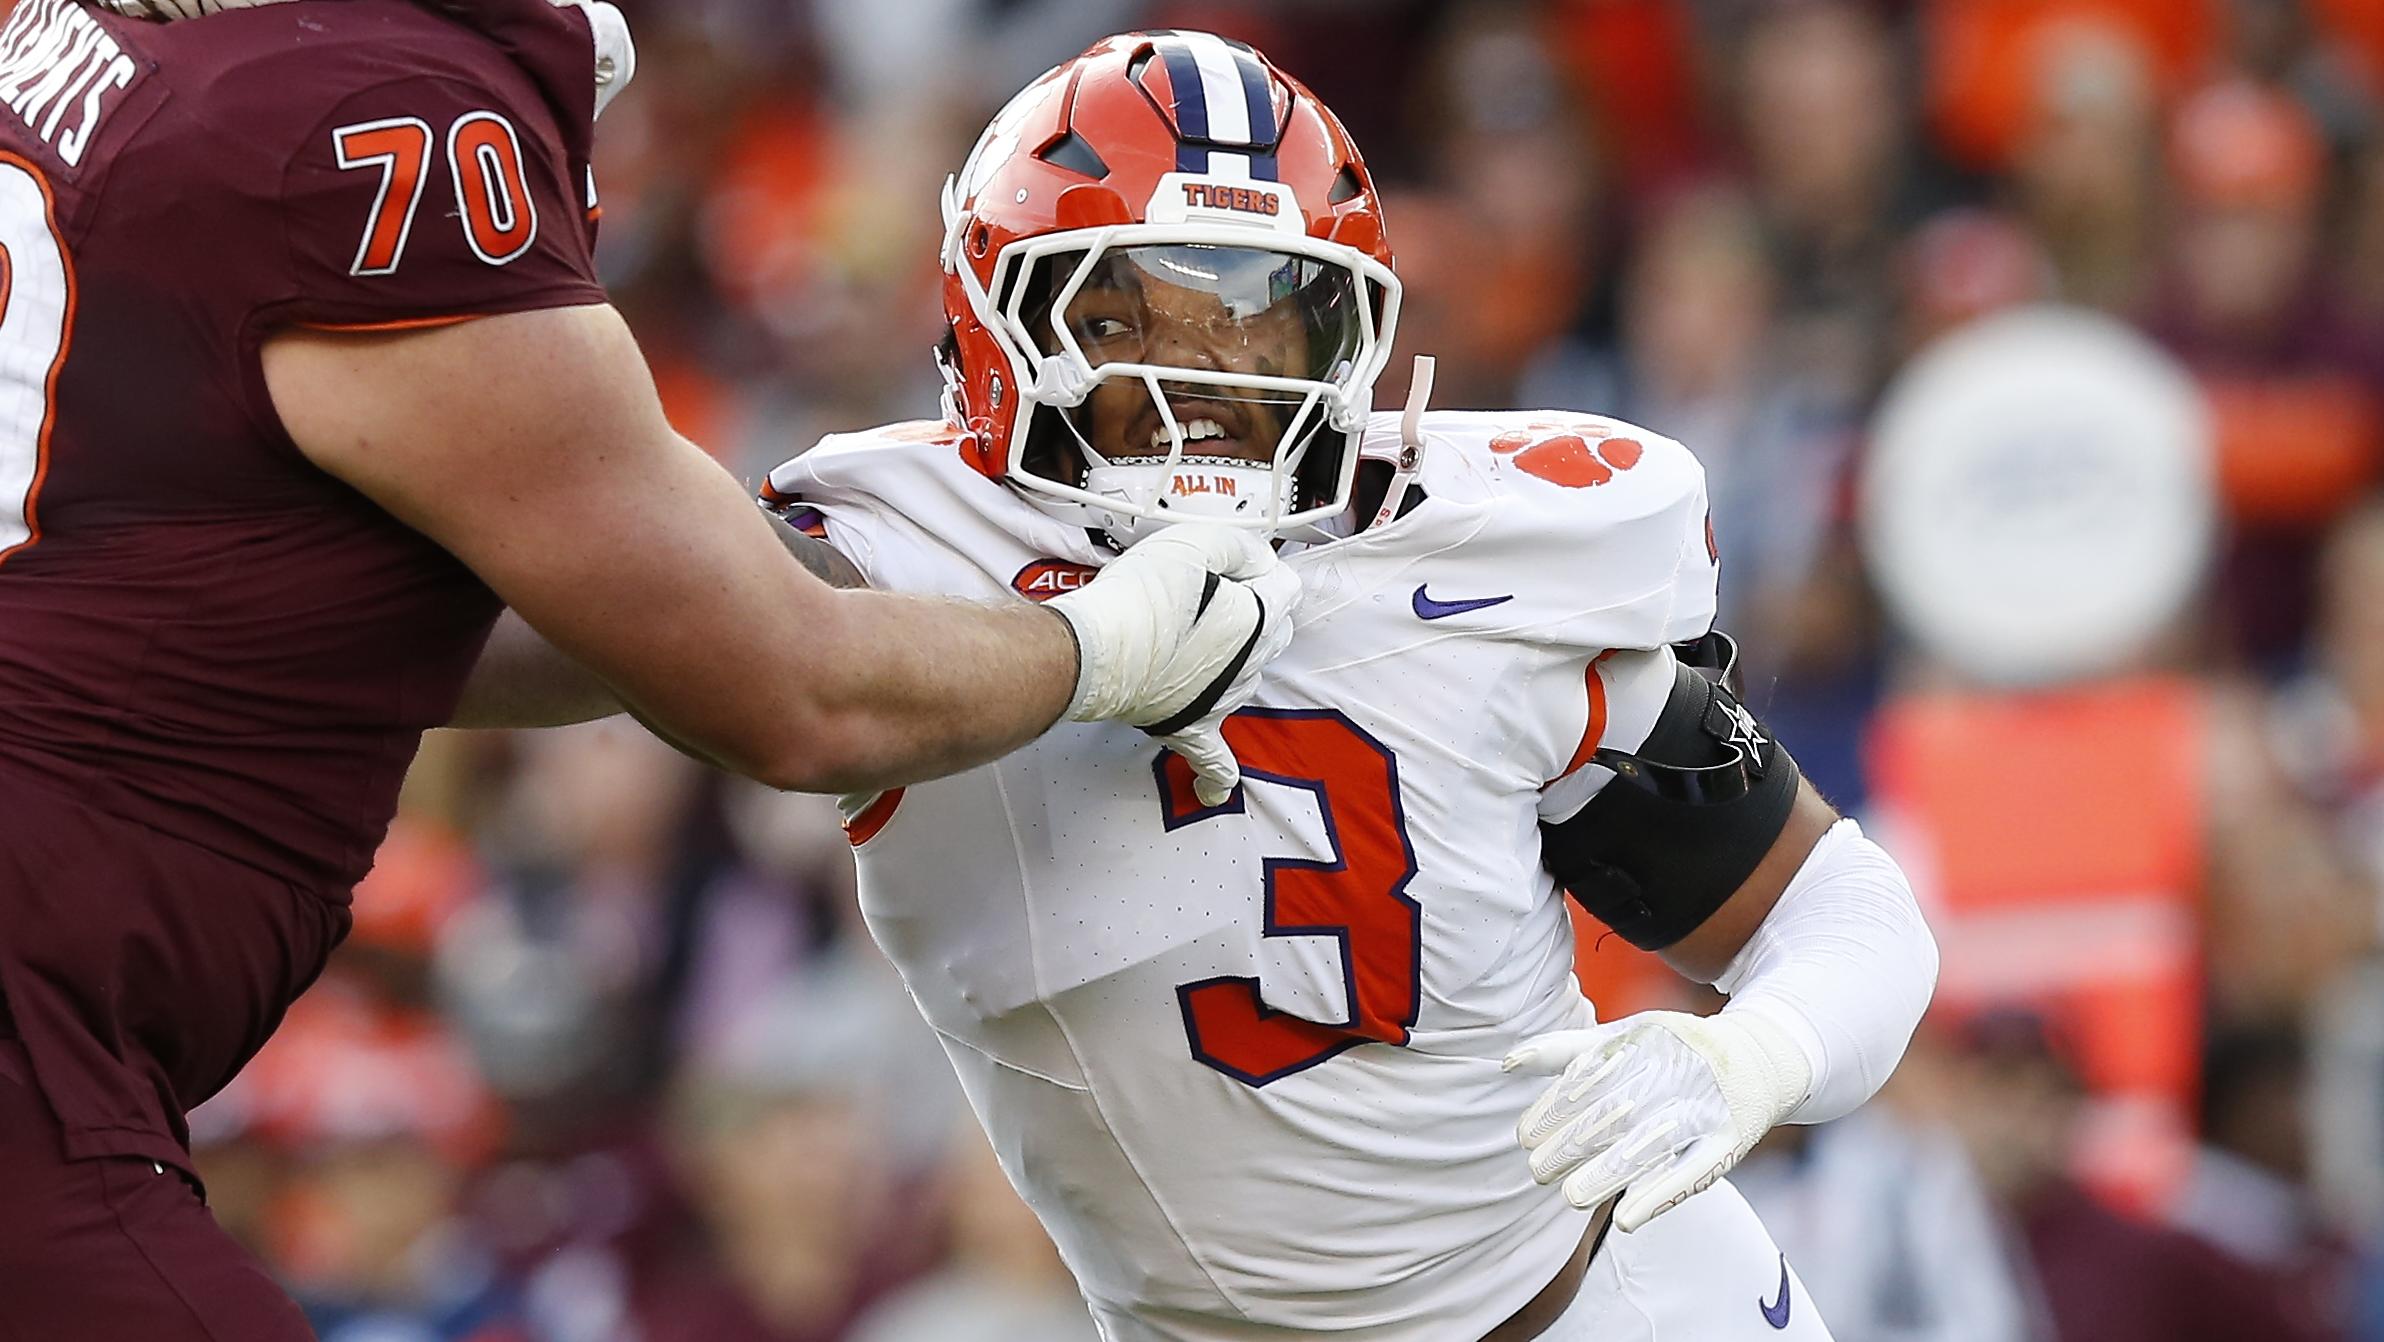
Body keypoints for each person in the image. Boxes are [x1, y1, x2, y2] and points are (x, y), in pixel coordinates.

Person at [500, 29, 1940, 1339]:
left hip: (1613, 1307)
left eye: (1266, 324)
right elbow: (535, 626)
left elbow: (1837, 905)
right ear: (994, 328)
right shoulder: (898, 558)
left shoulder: (1478, 552)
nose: (1211, 385)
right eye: (1136, 315)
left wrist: (1754, 1053)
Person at [0, 2, 1298, 1337]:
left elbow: (325, 621)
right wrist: (1101, 646)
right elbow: (797, 698)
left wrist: (784, 580)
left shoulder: (105, 59)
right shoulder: (363, 117)